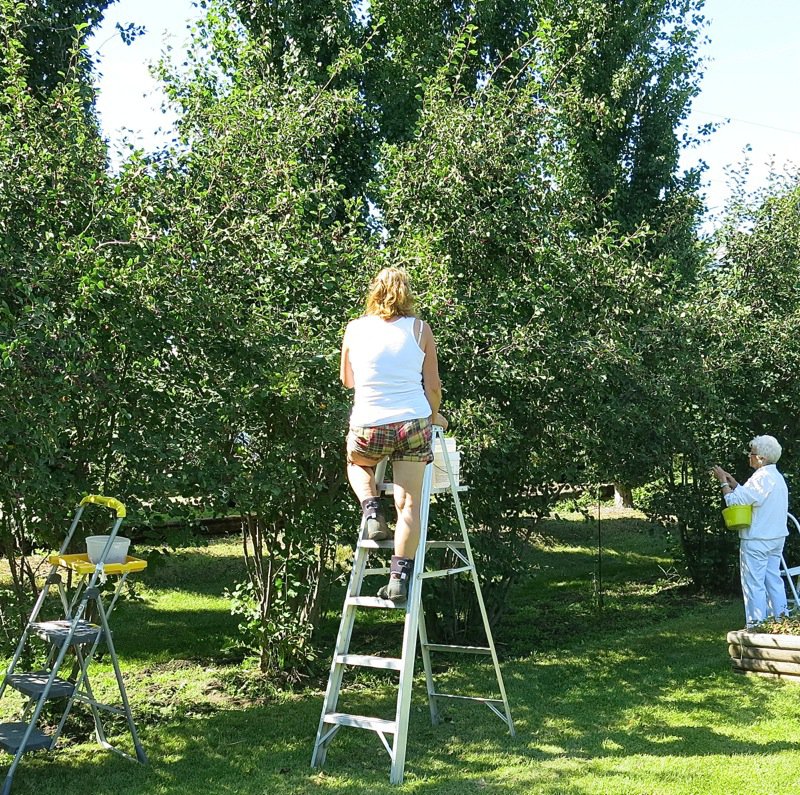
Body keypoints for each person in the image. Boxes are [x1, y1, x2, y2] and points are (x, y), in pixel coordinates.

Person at [340, 267, 445, 604]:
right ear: (407, 294)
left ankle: (371, 510)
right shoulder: (420, 329)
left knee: (356, 463)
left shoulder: (354, 329)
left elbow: (347, 380)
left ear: (373, 293)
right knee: (410, 503)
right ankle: (398, 578)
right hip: (412, 423)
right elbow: (432, 386)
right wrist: (434, 414)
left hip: (369, 423)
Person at [712, 435, 789, 627]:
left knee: (754, 584)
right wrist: (735, 484)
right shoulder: (776, 477)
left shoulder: (761, 478)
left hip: (757, 539)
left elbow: (735, 502)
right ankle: (782, 621)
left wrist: (723, 482)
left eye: (752, 453)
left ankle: (756, 627)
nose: (749, 456)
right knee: (773, 580)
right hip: (776, 538)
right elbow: (751, 496)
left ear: (761, 458)